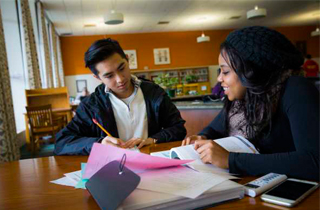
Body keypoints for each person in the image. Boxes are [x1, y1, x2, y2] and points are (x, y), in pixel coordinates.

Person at [183, 26, 319, 181]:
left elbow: (313, 161)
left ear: (252, 71)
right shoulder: (243, 101)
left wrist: (230, 160)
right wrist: (201, 136)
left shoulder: (296, 89)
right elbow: (215, 128)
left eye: (225, 72)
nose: (219, 79)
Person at [54, 38, 186, 155]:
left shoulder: (154, 93)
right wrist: (100, 143)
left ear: (127, 60)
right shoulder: (91, 105)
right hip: (112, 169)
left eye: (122, 68)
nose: (120, 79)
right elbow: (62, 142)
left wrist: (152, 140)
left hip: (152, 161)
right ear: (97, 77)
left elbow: (178, 128)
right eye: (109, 76)